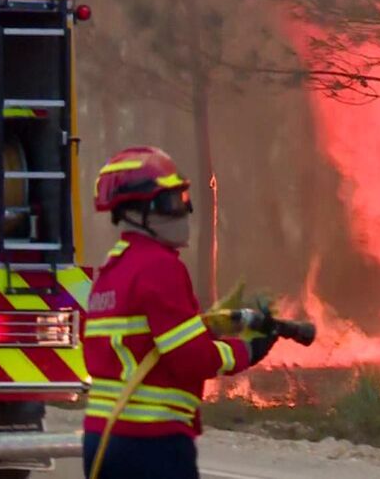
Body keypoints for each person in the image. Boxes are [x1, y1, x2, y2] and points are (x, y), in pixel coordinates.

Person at [82, 146, 278, 479]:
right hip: (152, 444)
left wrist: (212, 325)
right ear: (136, 211)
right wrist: (248, 349)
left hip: (103, 440)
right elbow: (191, 360)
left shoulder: (111, 271)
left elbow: (150, 346)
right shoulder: (160, 267)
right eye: (172, 201)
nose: (185, 211)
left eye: (183, 198)